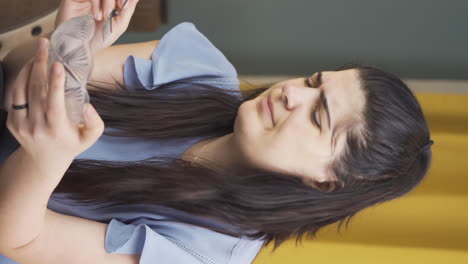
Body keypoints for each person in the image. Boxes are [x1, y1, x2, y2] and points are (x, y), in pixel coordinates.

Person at [0, 0, 434, 263]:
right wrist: (74, 45)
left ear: (325, 181)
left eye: (318, 117)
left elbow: (19, 238)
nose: (291, 95)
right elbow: (14, 67)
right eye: (312, 82)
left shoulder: (202, 253)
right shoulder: (200, 68)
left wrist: (45, 158)